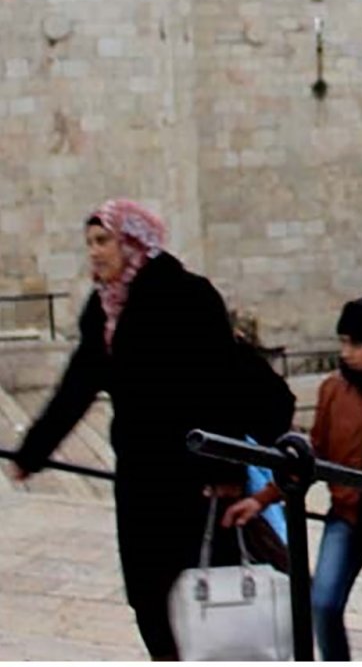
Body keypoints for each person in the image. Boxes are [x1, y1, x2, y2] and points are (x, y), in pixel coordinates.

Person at [7, 200, 291, 660]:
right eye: (89, 244)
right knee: (149, 601)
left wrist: (227, 472)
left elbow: (222, 384)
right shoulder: (103, 312)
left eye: (104, 241)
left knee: (202, 598)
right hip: (141, 484)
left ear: (134, 242)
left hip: (198, 484)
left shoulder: (186, 295)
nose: (95, 253)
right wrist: (32, 453)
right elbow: (76, 388)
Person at [224, 296, 362, 661]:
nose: (346, 352)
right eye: (343, 341)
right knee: (323, 604)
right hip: (347, 518)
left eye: (356, 344)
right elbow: (314, 455)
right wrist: (262, 498)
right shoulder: (335, 390)